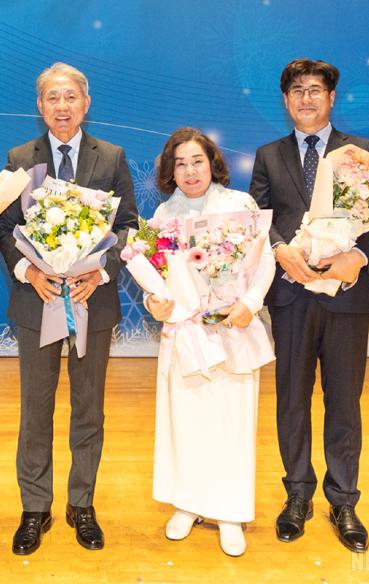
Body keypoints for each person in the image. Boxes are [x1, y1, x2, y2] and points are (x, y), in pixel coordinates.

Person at [249, 58, 369, 553]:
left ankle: (344, 499)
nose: (306, 98)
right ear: (285, 101)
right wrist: (280, 249)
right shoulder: (269, 155)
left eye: (316, 90)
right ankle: (298, 495)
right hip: (291, 293)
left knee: (344, 400)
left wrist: (357, 256)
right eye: (296, 91)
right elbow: (259, 218)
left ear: (332, 98)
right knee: (292, 398)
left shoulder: (361, 151)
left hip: (347, 296)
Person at [0, 62, 138, 555]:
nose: (62, 106)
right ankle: (35, 507)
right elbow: (3, 229)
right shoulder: (20, 157)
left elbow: (127, 227)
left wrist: (98, 272)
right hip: (36, 302)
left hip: (90, 302)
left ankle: (82, 503)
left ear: (86, 103)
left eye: (70, 97)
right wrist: (30, 271)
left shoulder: (112, 156)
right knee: (35, 408)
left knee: (88, 408)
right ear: (40, 106)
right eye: (52, 98)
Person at [145, 128, 274, 557]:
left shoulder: (239, 206)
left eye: (197, 161)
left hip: (232, 330)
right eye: (180, 163)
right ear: (170, 171)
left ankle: (230, 512)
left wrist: (251, 304)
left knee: (231, 422)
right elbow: (157, 279)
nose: (189, 171)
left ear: (212, 163)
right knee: (187, 420)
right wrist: (154, 301)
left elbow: (265, 260)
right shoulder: (164, 216)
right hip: (186, 334)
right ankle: (188, 504)